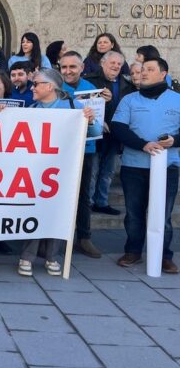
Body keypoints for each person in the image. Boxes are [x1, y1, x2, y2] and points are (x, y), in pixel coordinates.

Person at [18, 69, 101, 277]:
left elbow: (95, 133)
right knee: (35, 210)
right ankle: (28, 255)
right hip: (37, 170)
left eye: (36, 84)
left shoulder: (73, 107)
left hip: (63, 171)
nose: (32, 87)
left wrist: (90, 120)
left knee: (58, 211)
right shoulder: (32, 109)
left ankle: (52, 256)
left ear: (50, 86)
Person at [111, 57, 180, 274]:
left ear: (163, 74)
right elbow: (118, 128)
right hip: (134, 166)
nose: (143, 73)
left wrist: (174, 141)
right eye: (142, 70)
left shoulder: (177, 100)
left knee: (164, 214)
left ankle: (163, 256)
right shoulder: (129, 100)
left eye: (150, 70)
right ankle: (133, 251)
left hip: (167, 167)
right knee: (133, 213)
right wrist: (143, 145)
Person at [59, 51, 103, 258]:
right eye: (64, 67)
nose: (68, 71)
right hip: (60, 152)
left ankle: (84, 238)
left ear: (82, 68)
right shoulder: (56, 88)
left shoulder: (93, 90)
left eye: (72, 67)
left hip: (86, 150)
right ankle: (54, 238)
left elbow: (98, 119)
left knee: (84, 195)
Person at [85, 51, 135, 216]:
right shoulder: (90, 80)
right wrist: (100, 121)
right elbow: (85, 103)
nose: (115, 66)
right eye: (112, 63)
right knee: (93, 169)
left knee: (108, 170)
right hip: (95, 132)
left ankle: (102, 202)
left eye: (119, 64)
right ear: (103, 63)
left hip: (115, 134)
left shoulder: (126, 84)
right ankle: (88, 203)